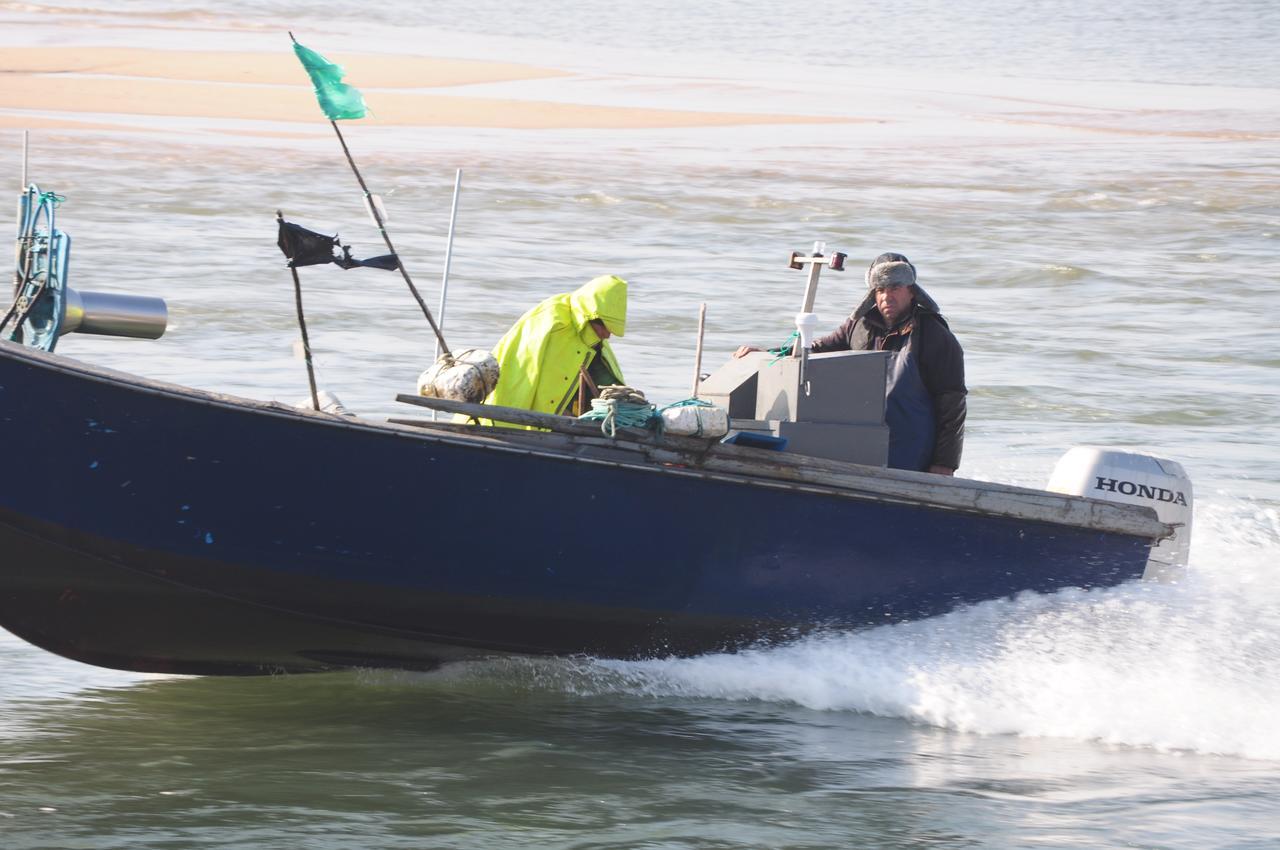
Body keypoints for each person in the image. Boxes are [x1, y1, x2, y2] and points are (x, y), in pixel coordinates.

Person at [735, 253, 966, 474]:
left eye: (895, 288)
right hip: (864, 441)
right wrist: (769, 352)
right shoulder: (858, 326)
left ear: (911, 292)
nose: (887, 296)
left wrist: (945, 462)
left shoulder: (934, 335)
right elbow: (814, 348)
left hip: (912, 450)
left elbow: (952, 401)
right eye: (881, 290)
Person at [479, 274, 628, 427]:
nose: (608, 335)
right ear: (591, 318)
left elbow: (601, 373)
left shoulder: (593, 336)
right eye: (605, 328)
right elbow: (523, 379)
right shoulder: (552, 325)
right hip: (514, 418)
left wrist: (624, 400)